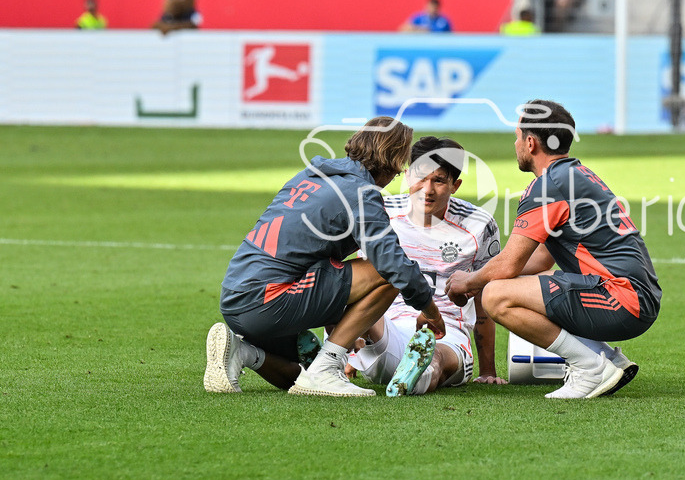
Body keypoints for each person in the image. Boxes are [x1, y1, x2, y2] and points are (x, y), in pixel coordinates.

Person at [204, 117, 446, 398]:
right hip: (268, 301)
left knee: (299, 375)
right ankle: (327, 368)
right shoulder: (361, 192)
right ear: (391, 161)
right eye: (401, 163)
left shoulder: (310, 176)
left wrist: (340, 321)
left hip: (235, 298)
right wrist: (431, 312)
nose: (399, 172)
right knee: (386, 275)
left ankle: (243, 352)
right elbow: (394, 266)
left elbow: (310, 254)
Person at [446, 100, 661, 399]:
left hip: (623, 300)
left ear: (530, 143)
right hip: (636, 295)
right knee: (516, 283)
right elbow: (539, 260)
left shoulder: (549, 186)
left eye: (517, 136)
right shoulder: (575, 175)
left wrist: (469, 281)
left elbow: (509, 265)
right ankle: (606, 358)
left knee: (495, 295)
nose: (515, 143)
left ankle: (589, 367)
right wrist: (481, 275)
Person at [345, 136, 507, 395]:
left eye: (439, 180)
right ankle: (338, 356)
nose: (427, 189)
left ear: (455, 185)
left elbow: (482, 300)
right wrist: (349, 348)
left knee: (436, 358)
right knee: (344, 281)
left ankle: (417, 371)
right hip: (385, 325)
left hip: (447, 332)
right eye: (421, 178)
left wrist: (488, 371)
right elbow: (358, 283)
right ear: (407, 175)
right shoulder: (381, 212)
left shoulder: (479, 225)